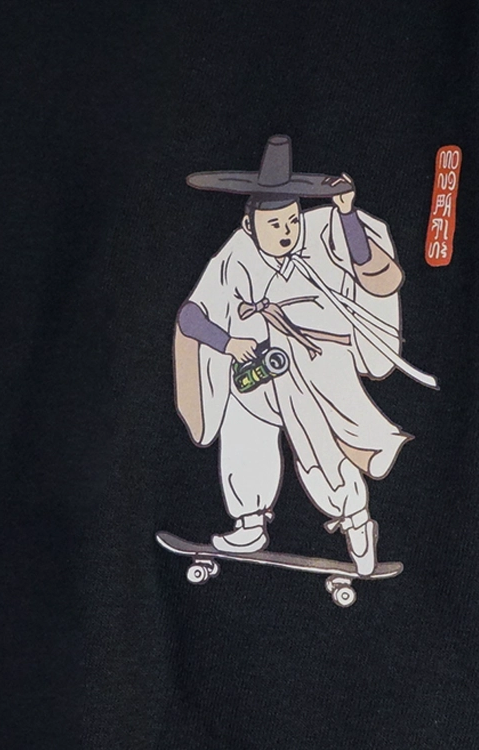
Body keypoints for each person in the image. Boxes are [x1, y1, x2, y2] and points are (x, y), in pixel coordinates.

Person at [173, 134, 437, 575]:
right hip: (260, 367)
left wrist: (347, 213)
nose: (285, 232)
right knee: (243, 425)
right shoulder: (234, 255)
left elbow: (372, 269)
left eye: (291, 222)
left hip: (317, 364)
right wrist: (228, 343)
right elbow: (191, 315)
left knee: (317, 446)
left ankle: (355, 520)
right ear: (250, 225)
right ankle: (250, 521)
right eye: (274, 224)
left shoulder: (322, 232)